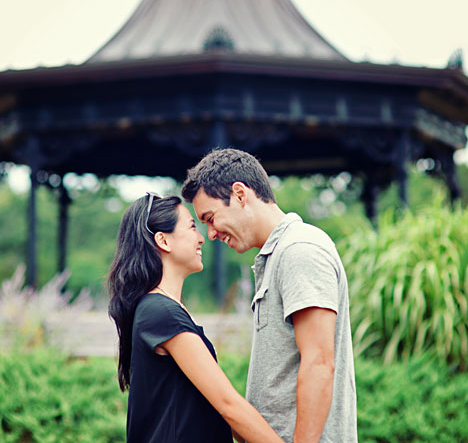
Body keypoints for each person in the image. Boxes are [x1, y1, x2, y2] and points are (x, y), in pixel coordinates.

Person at [182, 148, 358, 443]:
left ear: (240, 194)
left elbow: (319, 363)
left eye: (210, 218)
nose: (210, 234)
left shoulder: (299, 249)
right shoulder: (278, 255)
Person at [107, 192, 284, 443]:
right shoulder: (161, 312)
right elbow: (228, 405)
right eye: (192, 227)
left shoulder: (163, 309)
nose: (202, 238)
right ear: (163, 241)